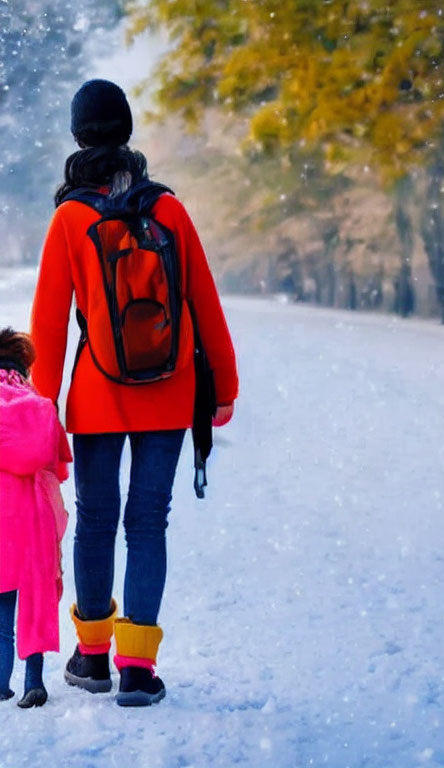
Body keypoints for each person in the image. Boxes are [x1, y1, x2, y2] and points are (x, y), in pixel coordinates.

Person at [30, 79, 239, 707]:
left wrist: (43, 412)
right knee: (148, 522)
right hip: (168, 391)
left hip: (96, 395)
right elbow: (204, 304)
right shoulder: (167, 209)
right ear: (126, 132)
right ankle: (139, 670)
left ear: (78, 136)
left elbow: (47, 323)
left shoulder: (70, 218)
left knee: (95, 521)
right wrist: (223, 388)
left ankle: (92, 658)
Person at [0, 328, 71, 708]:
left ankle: (0, 683)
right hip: (35, 515)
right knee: (34, 604)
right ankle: (33, 682)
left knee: (1, 613)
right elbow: (59, 462)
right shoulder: (38, 403)